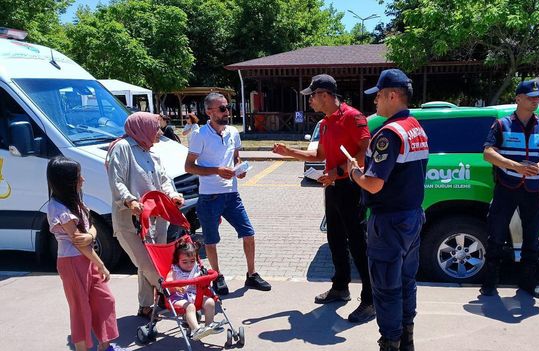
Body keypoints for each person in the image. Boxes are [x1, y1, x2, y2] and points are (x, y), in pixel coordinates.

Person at [272, 74, 375, 323]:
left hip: (351, 185)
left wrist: (337, 173)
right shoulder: (326, 122)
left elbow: (366, 151)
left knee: (358, 243)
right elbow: (317, 153)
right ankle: (340, 287)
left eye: (312, 96)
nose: (310, 101)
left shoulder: (353, 116)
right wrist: (289, 152)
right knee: (335, 239)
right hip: (333, 188)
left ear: (325, 95)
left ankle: (371, 299)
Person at [348, 69, 429, 351]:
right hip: (411, 218)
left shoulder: (389, 133)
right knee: (407, 283)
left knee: (386, 288)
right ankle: (407, 343)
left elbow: (373, 184)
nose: (376, 102)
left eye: (379, 95)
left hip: (389, 222)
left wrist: (354, 171)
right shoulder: (416, 128)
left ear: (393, 95)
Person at [47, 156, 131, 351]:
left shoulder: (75, 201)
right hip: (73, 262)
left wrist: (91, 236)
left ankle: (105, 346)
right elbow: (78, 242)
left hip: (86, 259)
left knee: (105, 300)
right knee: (80, 308)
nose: (82, 179)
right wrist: (101, 263)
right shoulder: (57, 207)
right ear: (65, 181)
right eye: (77, 177)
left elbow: (89, 229)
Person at [185, 92, 271, 295]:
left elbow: (236, 158)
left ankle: (251, 275)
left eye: (228, 107)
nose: (227, 112)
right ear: (209, 111)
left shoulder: (233, 132)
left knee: (249, 233)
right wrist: (217, 171)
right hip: (209, 196)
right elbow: (189, 167)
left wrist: (239, 169)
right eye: (222, 108)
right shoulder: (199, 135)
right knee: (211, 240)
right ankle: (217, 276)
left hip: (232, 195)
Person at [480, 80, 539, 299]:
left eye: (538, 97)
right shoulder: (502, 124)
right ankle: (490, 281)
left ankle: (528, 281)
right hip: (507, 188)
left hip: (533, 190)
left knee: (532, 237)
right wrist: (515, 166)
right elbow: (488, 153)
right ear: (518, 99)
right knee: (496, 235)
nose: (536, 100)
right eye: (531, 97)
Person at [106, 112, 185, 319]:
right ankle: (174, 296)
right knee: (146, 263)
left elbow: (163, 179)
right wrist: (130, 200)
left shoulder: (151, 151)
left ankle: (146, 306)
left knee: (150, 262)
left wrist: (173, 195)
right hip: (131, 220)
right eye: (155, 128)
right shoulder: (122, 148)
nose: (159, 132)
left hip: (156, 220)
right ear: (142, 128)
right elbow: (117, 181)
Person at [166, 239, 218, 340]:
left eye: (192, 261)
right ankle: (196, 330)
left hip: (195, 295)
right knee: (190, 307)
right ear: (178, 261)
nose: (189, 264)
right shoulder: (175, 270)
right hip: (178, 297)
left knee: (210, 302)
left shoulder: (197, 269)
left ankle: (209, 326)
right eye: (185, 262)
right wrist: (176, 287)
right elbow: (167, 282)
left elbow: (204, 280)